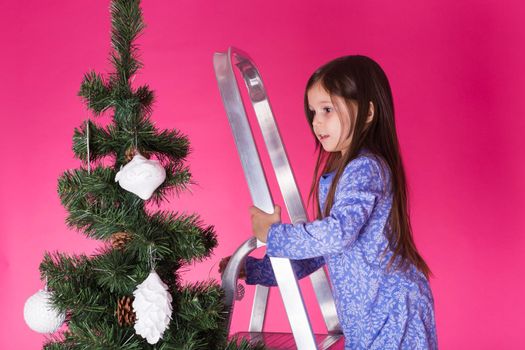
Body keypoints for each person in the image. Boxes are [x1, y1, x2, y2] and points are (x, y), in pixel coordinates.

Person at [219, 55, 438, 349]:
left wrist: (272, 234)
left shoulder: (365, 168)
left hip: (394, 312)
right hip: (368, 318)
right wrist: (257, 270)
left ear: (368, 112)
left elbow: (336, 235)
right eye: (312, 112)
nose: (316, 122)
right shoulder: (342, 174)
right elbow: (321, 252)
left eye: (327, 110)